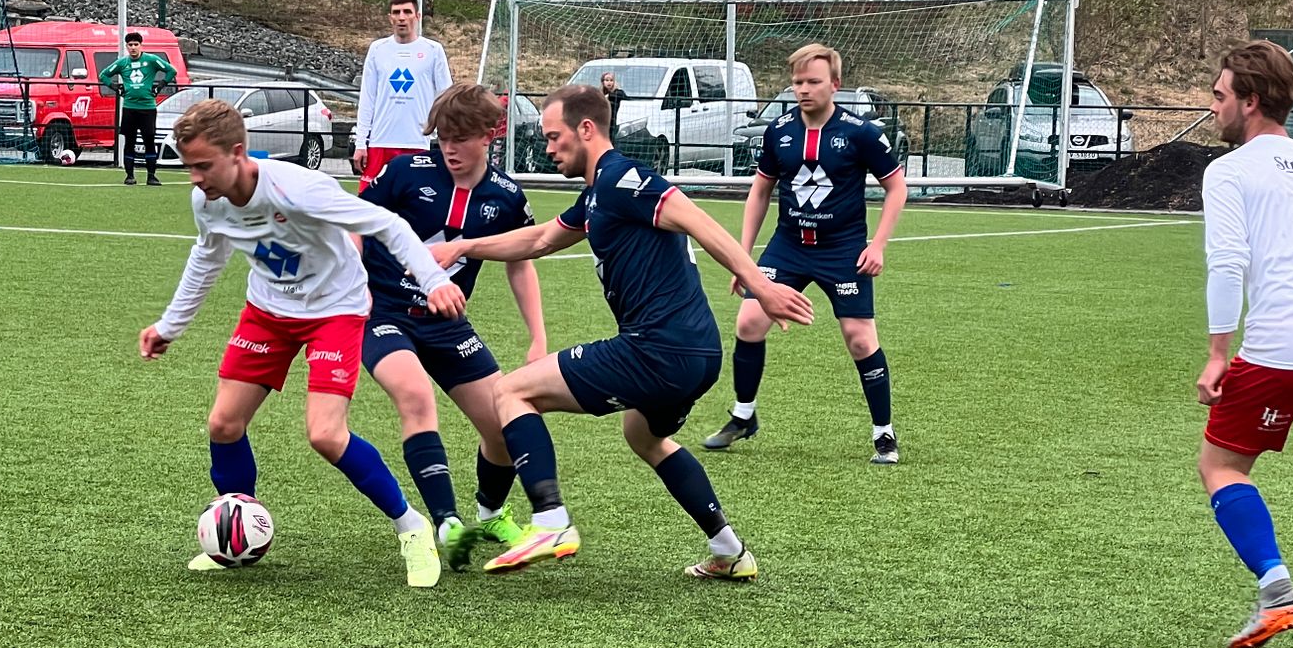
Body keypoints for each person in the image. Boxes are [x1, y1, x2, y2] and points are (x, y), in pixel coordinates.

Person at [429, 84, 812, 578]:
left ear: (586, 130)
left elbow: (699, 220)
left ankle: (550, 520)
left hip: (657, 348)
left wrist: (761, 285)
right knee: (644, 437)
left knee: (510, 392)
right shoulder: (598, 193)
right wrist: (465, 247)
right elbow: (543, 238)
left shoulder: (621, 179)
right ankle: (729, 551)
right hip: (695, 355)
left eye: (554, 137)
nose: (548, 149)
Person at [141, 97, 467, 587]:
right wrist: (169, 326)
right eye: (189, 167)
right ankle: (235, 526)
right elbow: (206, 260)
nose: (195, 178)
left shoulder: (300, 189)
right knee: (224, 424)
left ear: (237, 153)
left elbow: (387, 225)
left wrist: (432, 280)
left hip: (335, 310)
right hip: (268, 312)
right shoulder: (205, 200)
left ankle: (411, 527)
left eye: (203, 166)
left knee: (325, 435)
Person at [359, 82, 547, 569]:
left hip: (447, 323)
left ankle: (488, 514)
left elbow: (521, 258)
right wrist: (353, 288)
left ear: (491, 133)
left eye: (460, 137)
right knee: (415, 395)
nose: (449, 147)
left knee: (504, 424)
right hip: (384, 315)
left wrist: (538, 337)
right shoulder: (405, 173)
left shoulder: (506, 195)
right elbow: (354, 223)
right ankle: (447, 523)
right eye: (442, 136)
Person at [703, 43, 909, 465]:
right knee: (749, 321)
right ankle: (744, 416)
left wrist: (878, 245)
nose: (803, 89)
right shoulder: (777, 131)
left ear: (835, 84)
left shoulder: (861, 133)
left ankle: (884, 434)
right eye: (797, 81)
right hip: (789, 246)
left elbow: (896, 187)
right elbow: (760, 191)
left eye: (813, 81)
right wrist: (743, 258)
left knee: (859, 339)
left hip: (844, 250)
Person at [1195, 40, 1293, 648]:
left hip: (1279, 350)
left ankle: (1277, 591)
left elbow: (1228, 265)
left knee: (1220, 466)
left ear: (1251, 100)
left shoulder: (1231, 171)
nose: (1213, 107)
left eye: (1219, 96)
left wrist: (1219, 353)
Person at [353, 0, 451, 184]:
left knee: (416, 208)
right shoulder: (377, 49)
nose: (402, 17)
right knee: (371, 207)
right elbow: (367, 98)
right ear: (390, 18)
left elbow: (446, 99)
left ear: (418, 16)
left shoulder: (433, 50)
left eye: (407, 12)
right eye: (396, 12)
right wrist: (360, 142)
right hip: (380, 143)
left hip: (417, 143)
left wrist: (447, 142)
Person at [100, 29, 177, 186]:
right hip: (129, 107)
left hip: (148, 108)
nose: (133, 47)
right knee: (130, 141)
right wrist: (115, 87)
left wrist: (161, 85)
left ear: (141, 45)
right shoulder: (123, 63)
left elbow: (171, 70)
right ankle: (129, 176)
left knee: (149, 140)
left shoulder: (151, 60)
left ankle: (151, 176)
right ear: (126, 46)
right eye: (130, 45)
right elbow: (103, 75)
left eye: (136, 44)